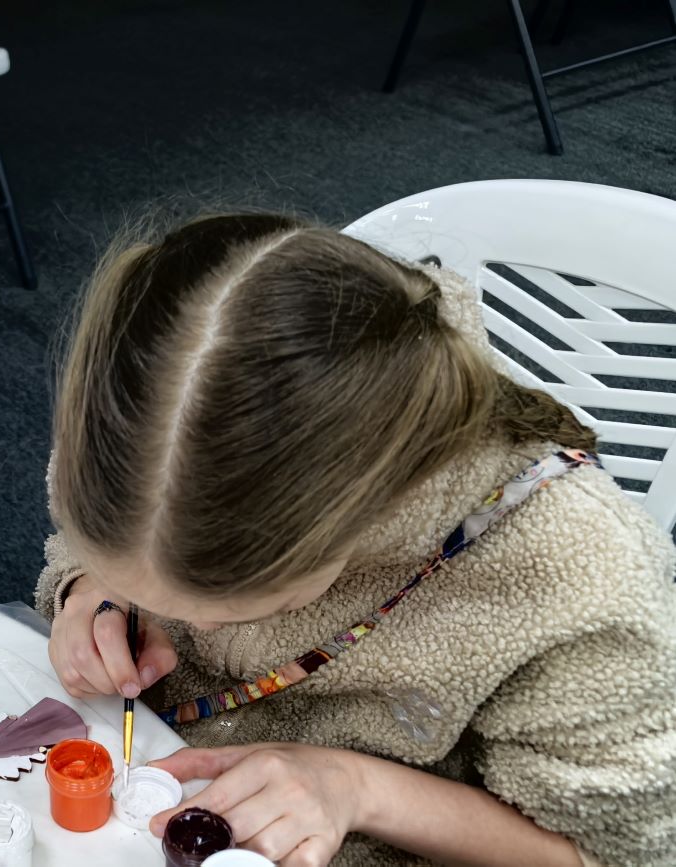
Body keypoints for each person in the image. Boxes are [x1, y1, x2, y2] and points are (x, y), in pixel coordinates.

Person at [37, 213, 676, 865]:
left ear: (362, 515)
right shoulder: (163, 418)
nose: (189, 623)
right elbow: (122, 528)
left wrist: (361, 790)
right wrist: (93, 590)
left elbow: (620, 853)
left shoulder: (581, 581)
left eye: (246, 604)